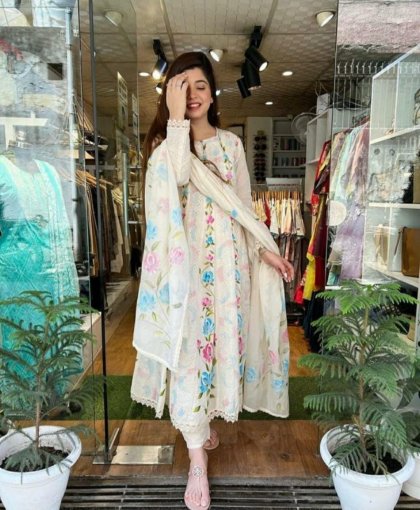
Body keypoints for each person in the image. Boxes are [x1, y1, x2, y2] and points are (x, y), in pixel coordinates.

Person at [131, 52, 293, 510]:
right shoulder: (166, 147)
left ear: (213, 93)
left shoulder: (232, 146)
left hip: (228, 273)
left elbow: (242, 208)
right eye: (182, 85)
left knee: (220, 349)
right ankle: (196, 458)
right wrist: (176, 122)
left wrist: (265, 251)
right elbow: (179, 178)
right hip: (185, 277)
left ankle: (203, 424)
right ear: (170, 93)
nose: (192, 94)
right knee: (189, 356)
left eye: (200, 85)